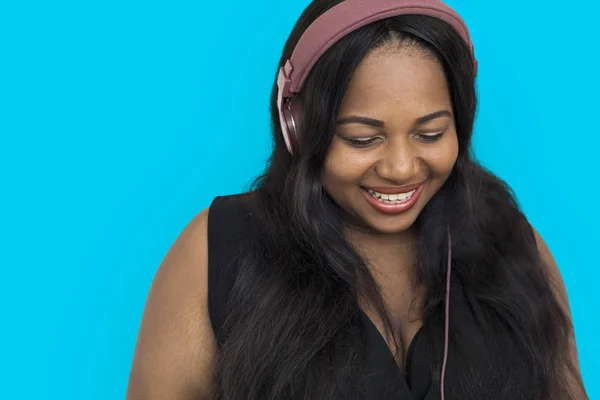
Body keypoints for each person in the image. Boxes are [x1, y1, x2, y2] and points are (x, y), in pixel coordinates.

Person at [126, 0, 589, 399]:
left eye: (430, 133)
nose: (401, 168)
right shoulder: (217, 252)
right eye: (363, 139)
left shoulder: (514, 244)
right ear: (299, 127)